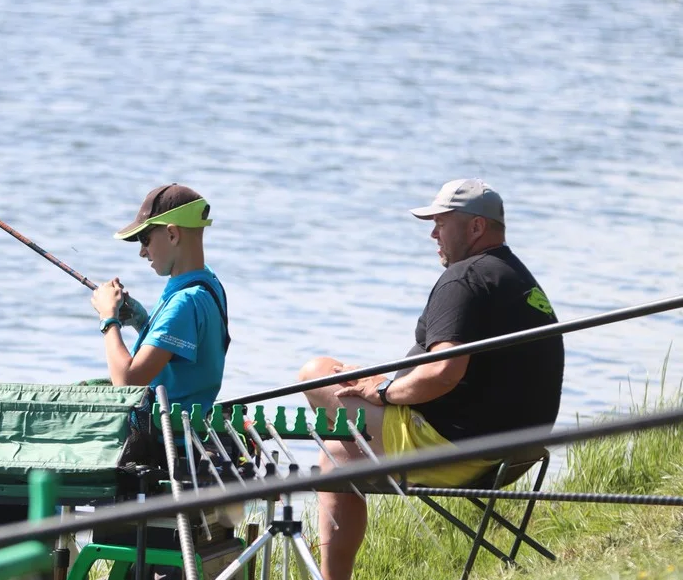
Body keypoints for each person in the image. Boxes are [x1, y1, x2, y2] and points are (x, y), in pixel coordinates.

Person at [296, 178, 565, 580]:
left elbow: (442, 372)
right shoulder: (515, 276)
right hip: (517, 452)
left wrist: (386, 391)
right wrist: (394, 386)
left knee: (318, 380)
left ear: (475, 227)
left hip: (458, 450)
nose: (433, 233)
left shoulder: (464, 279)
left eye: (442, 222)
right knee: (341, 438)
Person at [89, 183, 230, 414]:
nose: (142, 252)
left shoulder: (185, 302)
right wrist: (142, 321)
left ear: (172, 234)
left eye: (145, 239)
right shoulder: (207, 282)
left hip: (167, 435)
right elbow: (180, 356)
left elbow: (126, 384)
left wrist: (108, 320)